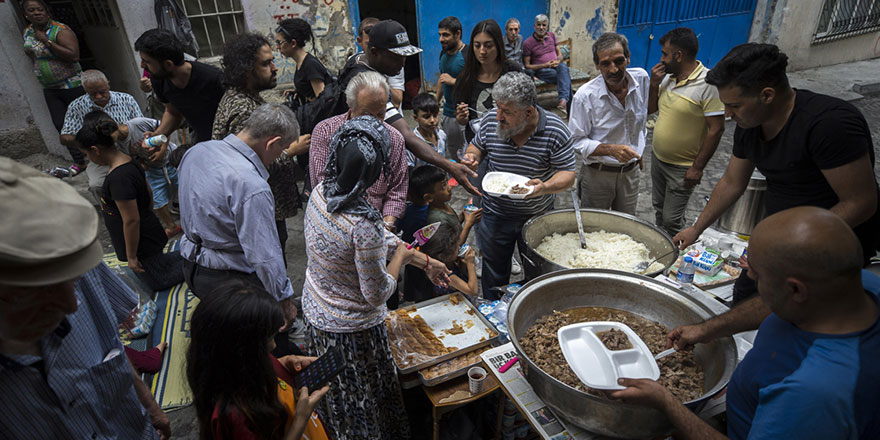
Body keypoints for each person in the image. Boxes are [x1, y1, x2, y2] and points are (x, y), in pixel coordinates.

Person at [611, 207, 880, 440]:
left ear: (796, 290)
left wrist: (667, 403)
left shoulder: (815, 394)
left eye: (757, 276)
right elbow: (767, 304)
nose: (748, 275)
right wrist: (707, 329)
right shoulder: (856, 285)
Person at [674, 43, 880, 303]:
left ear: (767, 95)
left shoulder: (830, 124)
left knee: (792, 321)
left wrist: (789, 244)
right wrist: (696, 229)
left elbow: (860, 203)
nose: (727, 114)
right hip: (779, 245)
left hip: (828, 250)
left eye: (734, 106)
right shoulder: (750, 124)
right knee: (744, 301)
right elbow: (732, 182)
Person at [302, 116, 450, 439]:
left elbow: (374, 241)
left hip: (318, 314)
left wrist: (422, 260)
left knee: (335, 400)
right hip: (353, 335)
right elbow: (378, 293)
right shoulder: (363, 223)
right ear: (374, 172)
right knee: (363, 407)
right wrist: (400, 257)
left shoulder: (319, 193)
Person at [0, 156, 169, 439]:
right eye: (38, 291)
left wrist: (150, 406)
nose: (70, 305)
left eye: (71, 280)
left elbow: (112, 344)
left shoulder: (80, 266)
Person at [178, 103, 299, 356]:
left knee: (231, 333)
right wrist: (283, 300)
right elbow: (264, 255)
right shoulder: (250, 184)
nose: (278, 158)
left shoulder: (198, 151)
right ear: (271, 143)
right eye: (281, 151)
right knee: (260, 343)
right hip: (227, 277)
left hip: (191, 265)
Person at [461, 72, 576, 298]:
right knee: (494, 271)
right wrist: (471, 157)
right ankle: (494, 312)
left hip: (536, 217)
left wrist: (543, 187)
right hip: (495, 214)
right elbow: (476, 146)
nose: (499, 117)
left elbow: (568, 174)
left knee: (536, 273)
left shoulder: (555, 129)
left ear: (529, 112)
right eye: (498, 108)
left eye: (507, 112)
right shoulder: (490, 121)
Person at [338, 19, 479, 195]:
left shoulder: (358, 59)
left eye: (404, 56)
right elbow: (406, 135)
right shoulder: (368, 86)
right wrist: (450, 165)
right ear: (374, 52)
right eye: (396, 57)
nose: (403, 63)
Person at [211, 33, 310, 264]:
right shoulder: (243, 109)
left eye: (272, 60)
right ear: (246, 70)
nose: (275, 68)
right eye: (266, 63)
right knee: (271, 261)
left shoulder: (246, 97)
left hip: (267, 208)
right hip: (261, 212)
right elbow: (244, 165)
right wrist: (291, 151)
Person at [187, 281, 330, 440]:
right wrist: (300, 419)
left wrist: (283, 362)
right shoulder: (235, 416)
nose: (274, 346)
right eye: (268, 339)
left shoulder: (241, 364)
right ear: (241, 351)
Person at [75, 111, 184, 292]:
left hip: (141, 241)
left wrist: (131, 255)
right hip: (147, 232)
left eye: (87, 155)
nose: (89, 159)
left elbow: (131, 220)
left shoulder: (119, 178)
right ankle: (192, 257)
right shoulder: (129, 161)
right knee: (159, 263)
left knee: (159, 280)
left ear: (95, 150)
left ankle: (201, 262)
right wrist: (147, 214)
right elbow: (148, 192)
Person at [648, 27, 725, 235]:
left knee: (671, 219)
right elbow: (651, 110)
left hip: (682, 168)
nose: (661, 59)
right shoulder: (668, 77)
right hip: (658, 159)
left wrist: (697, 168)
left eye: (665, 53)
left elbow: (716, 129)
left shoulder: (708, 84)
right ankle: (662, 249)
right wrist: (654, 85)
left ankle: (678, 258)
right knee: (659, 211)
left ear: (679, 55)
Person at [310, 71, 407, 230]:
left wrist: (386, 226)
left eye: (380, 114)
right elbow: (322, 188)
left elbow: (397, 191)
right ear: (349, 104)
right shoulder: (325, 132)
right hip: (335, 221)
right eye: (366, 114)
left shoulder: (394, 138)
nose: (373, 123)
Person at [569, 32, 649, 215]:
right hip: (598, 175)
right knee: (594, 229)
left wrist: (639, 147)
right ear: (597, 65)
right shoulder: (585, 96)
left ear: (628, 58)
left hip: (631, 174)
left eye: (619, 61)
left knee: (626, 227)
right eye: (605, 63)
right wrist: (611, 149)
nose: (613, 69)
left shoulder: (642, 79)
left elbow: (641, 119)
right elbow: (575, 140)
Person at [20, 0, 85, 173]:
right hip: (50, 88)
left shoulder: (60, 30)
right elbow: (31, 54)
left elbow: (73, 56)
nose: (36, 13)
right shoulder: (27, 31)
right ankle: (80, 162)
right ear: (26, 15)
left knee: (85, 122)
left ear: (47, 12)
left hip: (72, 85)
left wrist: (47, 41)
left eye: (40, 9)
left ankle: (99, 157)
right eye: (31, 10)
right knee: (61, 125)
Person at [59, 69, 144, 198]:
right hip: (100, 156)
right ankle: (110, 211)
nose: (99, 96)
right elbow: (65, 137)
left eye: (102, 91)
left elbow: (141, 127)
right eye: (93, 94)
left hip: (129, 151)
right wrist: (88, 140)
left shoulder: (126, 100)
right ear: (85, 89)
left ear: (108, 84)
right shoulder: (77, 106)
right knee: (97, 185)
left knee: (138, 177)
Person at [135, 28, 225, 143]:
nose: (142, 66)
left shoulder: (214, 78)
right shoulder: (159, 80)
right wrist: (157, 135)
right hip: (202, 142)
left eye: (147, 61)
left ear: (168, 64)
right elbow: (173, 113)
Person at [116, 116, 181, 237]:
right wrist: (142, 163)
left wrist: (162, 151)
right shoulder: (116, 146)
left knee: (185, 187)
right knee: (157, 199)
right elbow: (133, 160)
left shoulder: (138, 124)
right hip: (152, 168)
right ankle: (171, 226)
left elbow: (167, 129)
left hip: (171, 159)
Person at [351, 17, 406, 112]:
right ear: (359, 41)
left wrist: (377, 78)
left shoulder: (393, 64)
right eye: (368, 44)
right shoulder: (354, 64)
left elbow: (397, 102)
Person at [275, 18, 332, 106]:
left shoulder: (310, 65)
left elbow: (323, 101)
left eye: (279, 42)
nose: (277, 47)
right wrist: (300, 91)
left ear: (293, 43)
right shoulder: (301, 63)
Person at [423, 165, 482, 247]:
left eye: (446, 182)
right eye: (443, 186)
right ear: (429, 197)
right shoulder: (437, 219)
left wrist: (463, 215)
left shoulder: (442, 204)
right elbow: (453, 247)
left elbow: (453, 225)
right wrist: (468, 224)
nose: (449, 187)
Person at [523, 14, 572, 112]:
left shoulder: (552, 36)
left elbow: (560, 55)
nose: (541, 28)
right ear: (534, 26)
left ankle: (563, 100)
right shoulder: (528, 43)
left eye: (544, 25)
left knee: (563, 68)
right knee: (565, 77)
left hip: (557, 67)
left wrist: (557, 61)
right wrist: (545, 65)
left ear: (547, 26)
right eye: (539, 25)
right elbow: (527, 65)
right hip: (543, 71)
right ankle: (568, 105)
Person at [435, 16, 467, 158]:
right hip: (447, 113)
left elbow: (476, 84)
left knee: (468, 151)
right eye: (440, 35)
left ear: (458, 34)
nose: (441, 39)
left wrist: (454, 81)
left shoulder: (468, 55)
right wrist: (435, 102)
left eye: (446, 35)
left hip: (466, 115)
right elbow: (442, 79)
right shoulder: (443, 52)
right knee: (452, 151)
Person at [420, 223, 478, 296]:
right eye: (457, 247)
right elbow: (472, 291)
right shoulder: (446, 274)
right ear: (446, 256)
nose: (459, 247)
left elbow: (461, 275)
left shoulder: (447, 262)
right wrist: (470, 263)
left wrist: (462, 263)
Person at [407, 93, 446, 168]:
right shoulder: (412, 143)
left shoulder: (442, 135)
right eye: (426, 117)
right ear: (416, 118)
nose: (432, 120)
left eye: (435, 115)